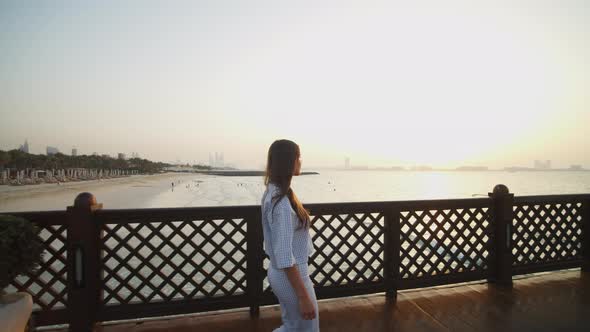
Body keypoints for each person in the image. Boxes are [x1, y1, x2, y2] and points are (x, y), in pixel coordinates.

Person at [261, 139, 318, 331]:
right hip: (292, 275)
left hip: (280, 274)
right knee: (307, 329)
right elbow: (285, 256)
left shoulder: (272, 193)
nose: (300, 161)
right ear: (288, 161)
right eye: (298, 156)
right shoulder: (282, 203)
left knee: (293, 326)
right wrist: (303, 297)